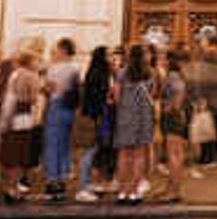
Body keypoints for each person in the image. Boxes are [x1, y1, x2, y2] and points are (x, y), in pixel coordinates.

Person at [0, 50, 43, 203]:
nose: (38, 63)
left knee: (9, 155)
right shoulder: (30, 75)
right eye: (36, 60)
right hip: (23, 118)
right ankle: (13, 189)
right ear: (30, 62)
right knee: (19, 156)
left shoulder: (15, 74)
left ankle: (7, 187)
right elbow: (33, 98)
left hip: (9, 116)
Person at [113, 43, 156, 203]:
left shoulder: (121, 73)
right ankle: (134, 192)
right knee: (139, 155)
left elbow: (117, 97)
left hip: (125, 116)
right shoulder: (150, 74)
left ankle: (122, 191)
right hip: (143, 116)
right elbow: (152, 95)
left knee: (124, 154)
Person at [74, 46, 116, 203]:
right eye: (109, 55)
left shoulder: (98, 73)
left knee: (93, 151)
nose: (112, 58)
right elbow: (99, 98)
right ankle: (82, 188)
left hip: (96, 116)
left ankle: (87, 184)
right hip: (96, 118)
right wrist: (110, 99)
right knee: (89, 152)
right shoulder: (100, 75)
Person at [42, 38, 81, 201]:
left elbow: (49, 89)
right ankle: (63, 178)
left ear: (63, 50)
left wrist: (44, 88)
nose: (55, 52)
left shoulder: (54, 68)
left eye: (57, 49)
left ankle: (52, 180)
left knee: (52, 143)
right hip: (69, 107)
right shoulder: (76, 67)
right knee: (64, 143)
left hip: (56, 104)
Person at [157, 49, 189, 202]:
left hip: (173, 118)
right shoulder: (174, 75)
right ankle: (171, 188)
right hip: (175, 116)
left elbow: (179, 94)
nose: (160, 60)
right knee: (174, 154)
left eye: (163, 58)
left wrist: (168, 108)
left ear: (170, 61)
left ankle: (174, 191)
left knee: (173, 155)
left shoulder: (173, 76)